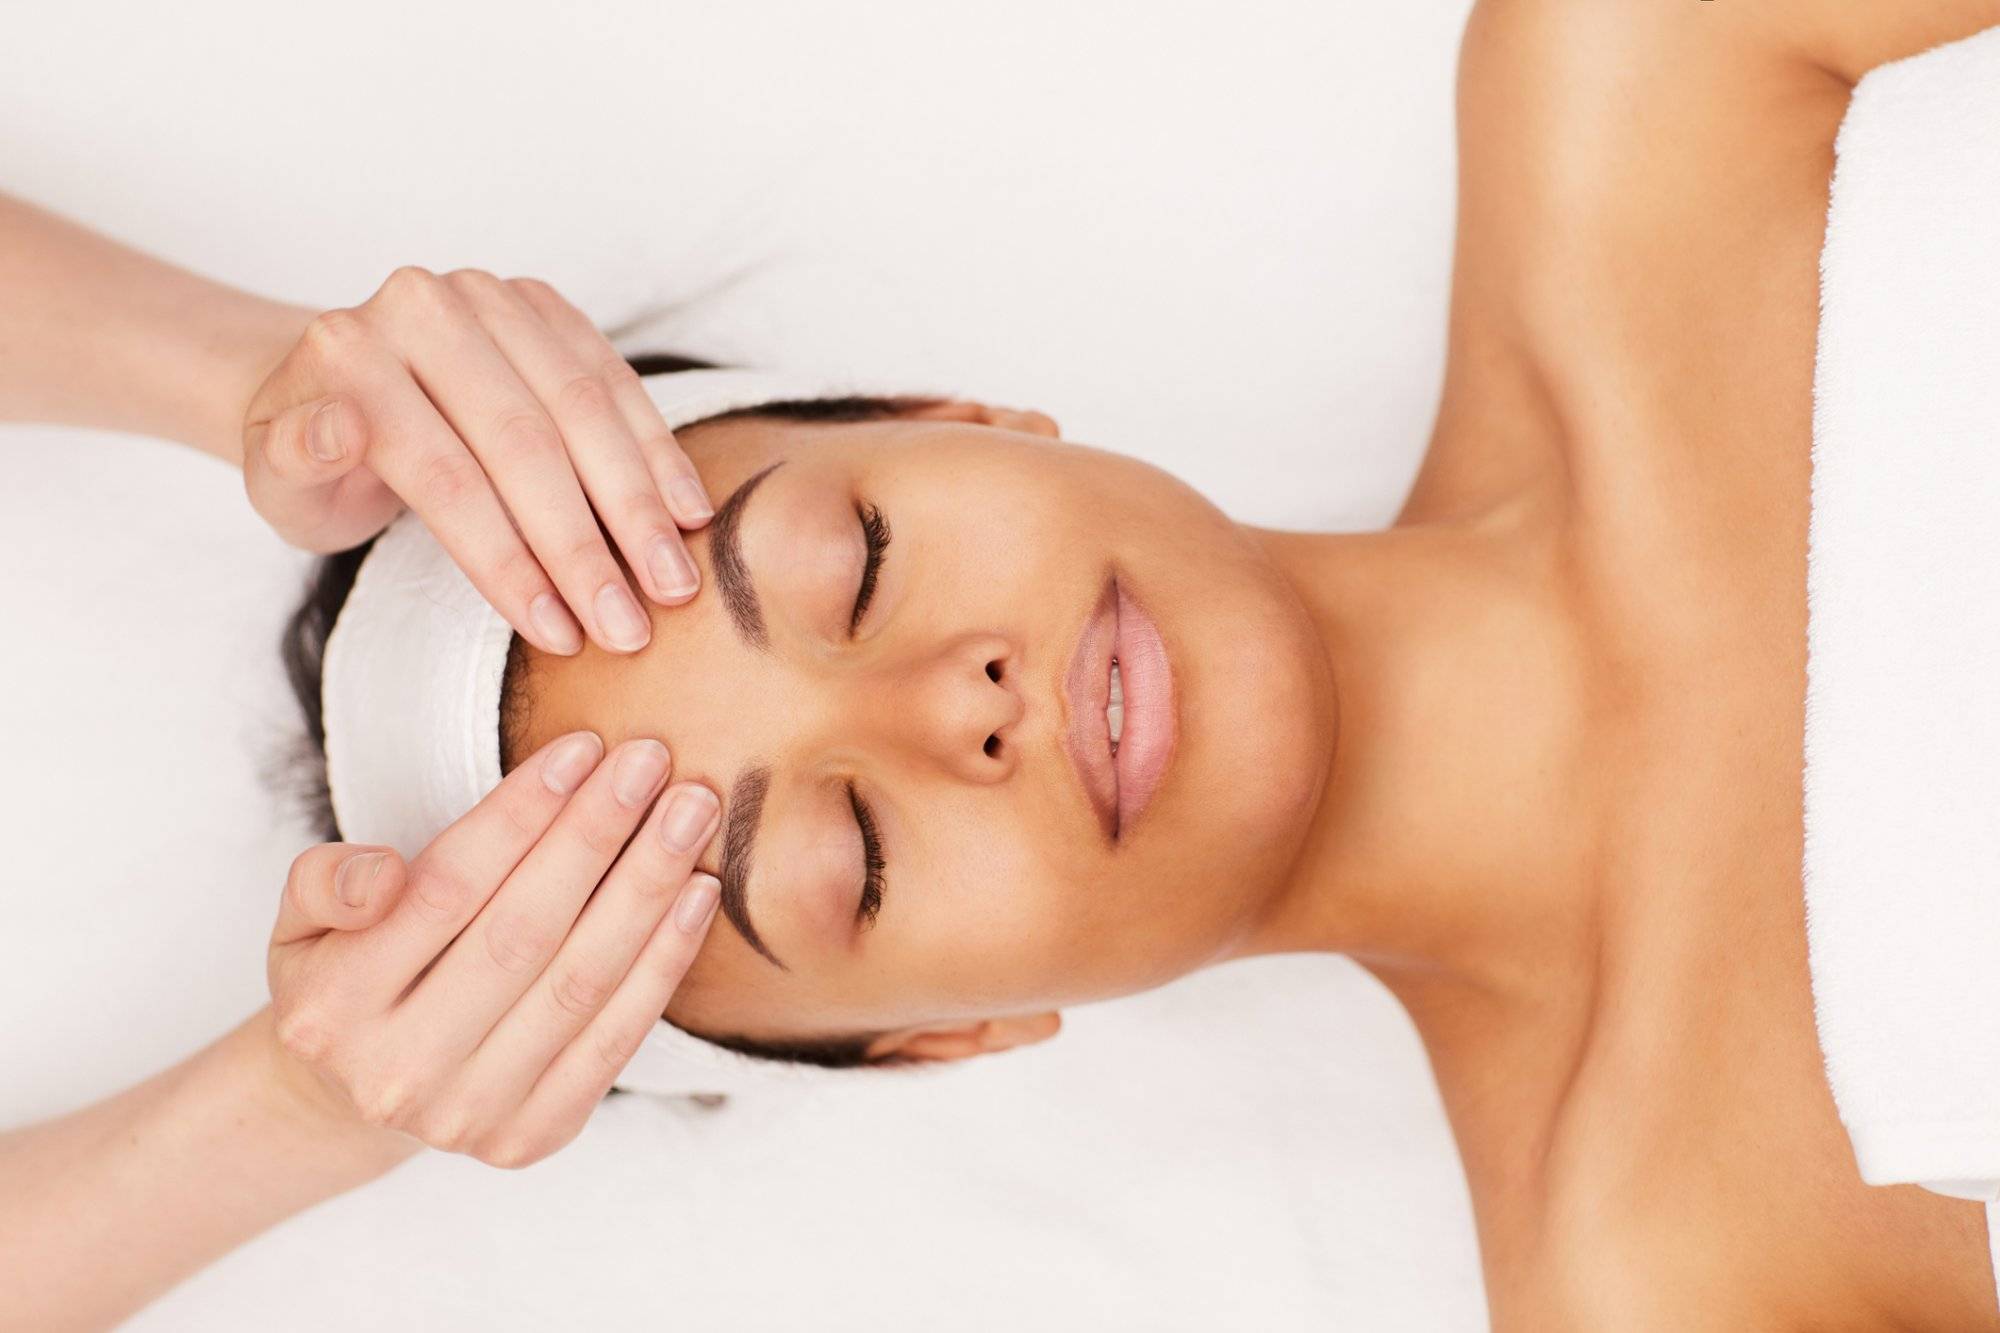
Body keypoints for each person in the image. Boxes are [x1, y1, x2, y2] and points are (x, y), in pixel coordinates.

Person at [7, 2, 2000, 1328]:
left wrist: (241, 372)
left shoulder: (1653, 80)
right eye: (849, 865)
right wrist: (296, 1111)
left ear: (961, 412)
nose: (950, 708)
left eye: (851, 560)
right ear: (944, 1037)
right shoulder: (1681, 1278)